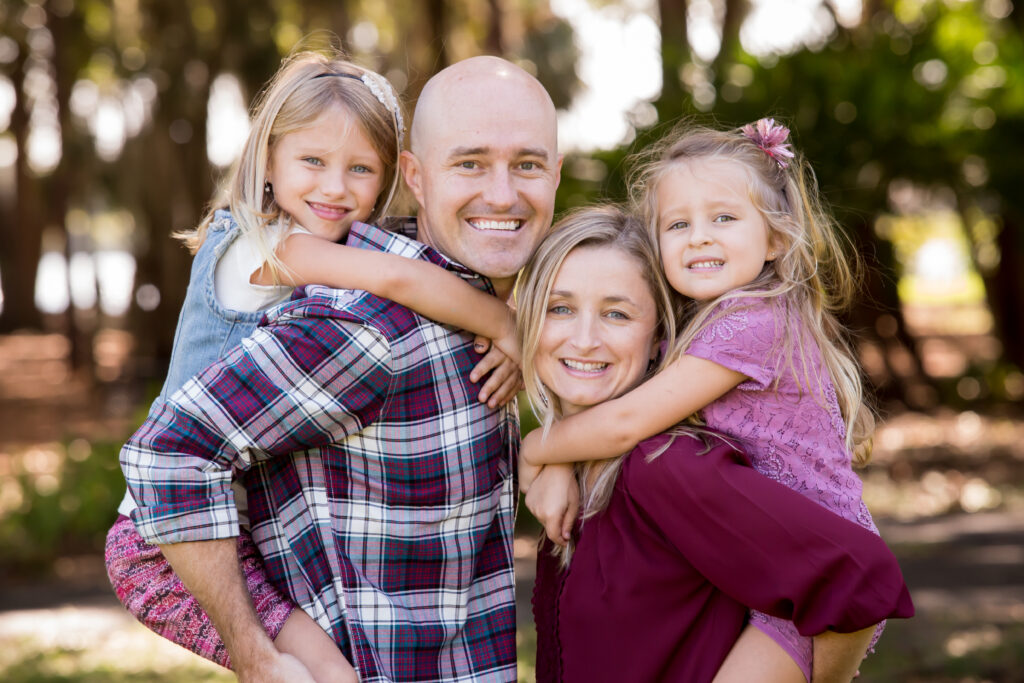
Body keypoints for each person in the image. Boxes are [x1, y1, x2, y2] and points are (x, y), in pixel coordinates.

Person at [120, 54, 562, 683]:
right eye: (313, 163)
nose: (334, 188)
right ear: (267, 163)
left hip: (226, 520)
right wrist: (505, 325)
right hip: (158, 531)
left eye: (359, 170)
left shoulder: (338, 261)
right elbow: (395, 276)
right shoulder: (286, 264)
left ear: (388, 180)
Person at [519, 119, 891, 681]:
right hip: (775, 566)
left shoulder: (751, 322)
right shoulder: (699, 334)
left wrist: (535, 450)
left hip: (806, 580)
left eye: (723, 218)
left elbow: (625, 423)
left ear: (776, 238)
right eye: (678, 224)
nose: (699, 237)